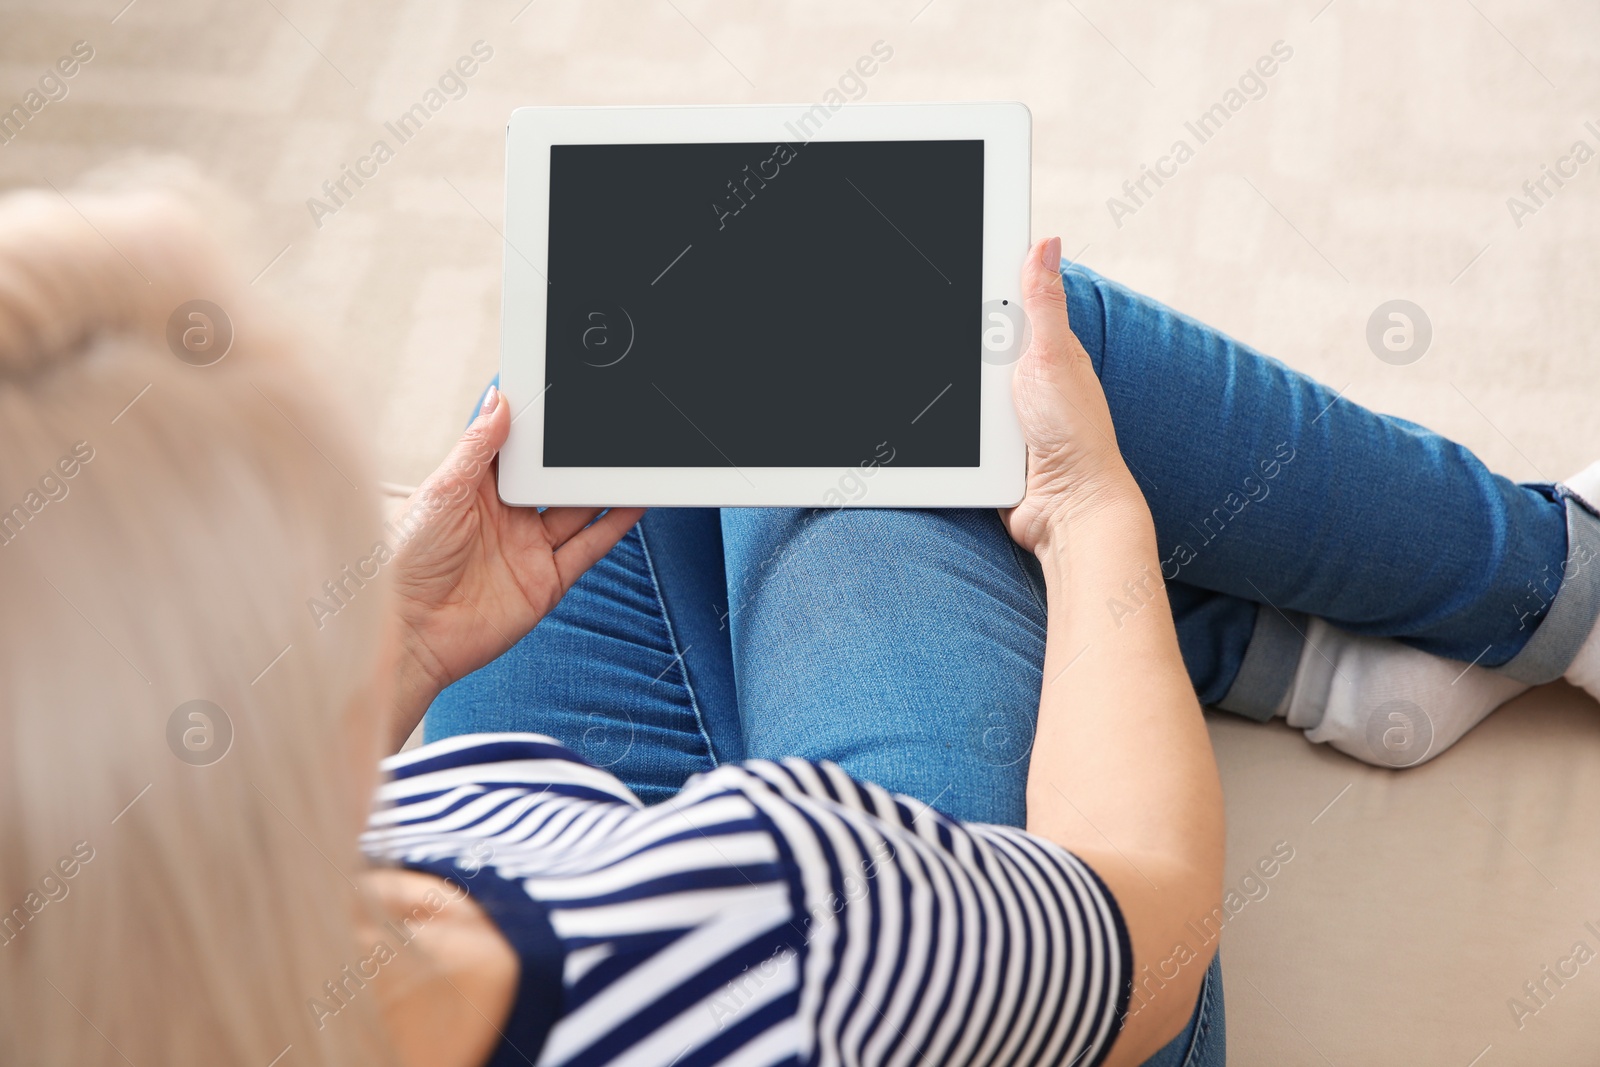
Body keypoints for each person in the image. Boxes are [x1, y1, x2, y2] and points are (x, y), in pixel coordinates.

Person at [1, 171, 1594, 1067]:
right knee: (877, 324)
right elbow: (1146, 927)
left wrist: (397, 664)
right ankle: (1558, 582)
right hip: (974, 999)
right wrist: (1095, 517)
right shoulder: (787, 931)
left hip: (515, 894)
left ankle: (1306, 662)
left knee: (602, 377)